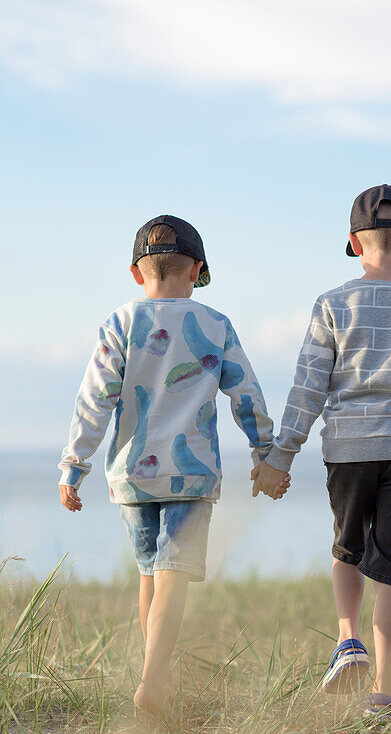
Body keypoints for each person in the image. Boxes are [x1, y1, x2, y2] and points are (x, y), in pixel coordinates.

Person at [58, 215, 287, 716]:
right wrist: (263, 450)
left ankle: (155, 682)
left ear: (137, 273)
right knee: (171, 579)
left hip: (132, 473)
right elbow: (246, 392)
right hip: (192, 472)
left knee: (149, 575)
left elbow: (93, 399)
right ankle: (153, 682)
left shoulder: (119, 323)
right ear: (197, 270)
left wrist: (74, 466)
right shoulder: (214, 325)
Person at [253, 185, 391, 718]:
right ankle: (385, 694)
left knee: (347, 546)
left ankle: (348, 640)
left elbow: (308, 387)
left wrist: (282, 454)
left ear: (352, 242)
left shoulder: (332, 304)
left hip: (346, 447)